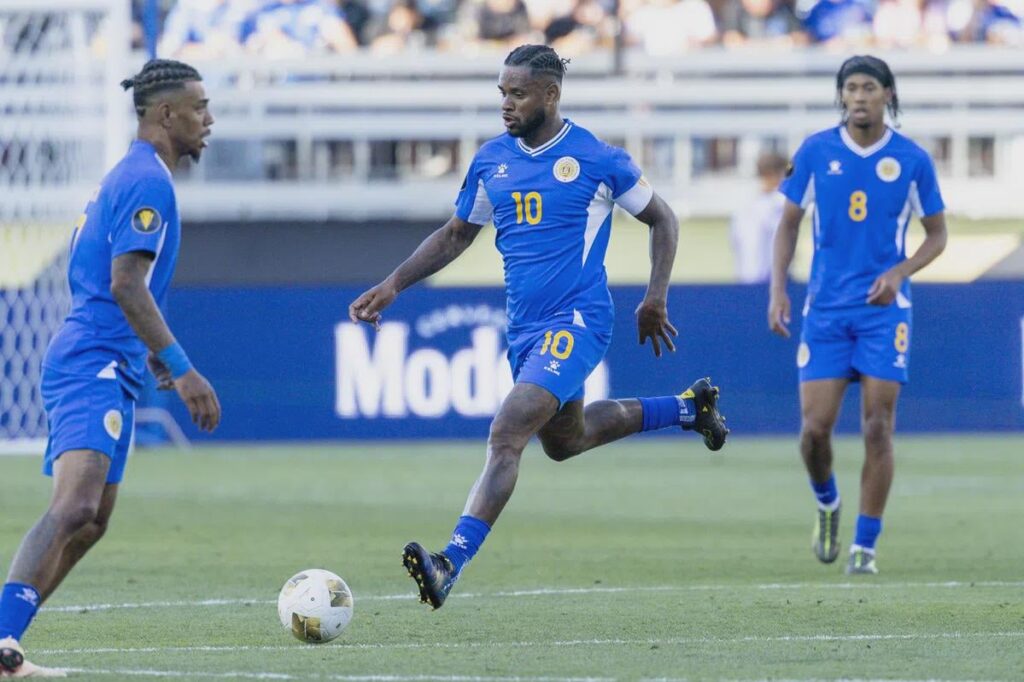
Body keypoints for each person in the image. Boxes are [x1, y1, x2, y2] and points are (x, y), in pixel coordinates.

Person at [349, 44, 729, 610]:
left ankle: (450, 560)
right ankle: (687, 409)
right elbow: (457, 234)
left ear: (550, 95)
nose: (506, 103)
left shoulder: (598, 159)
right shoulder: (491, 160)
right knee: (565, 442)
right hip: (524, 328)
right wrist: (394, 284)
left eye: (517, 93)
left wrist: (655, 296)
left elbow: (662, 218)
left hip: (577, 318)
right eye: (502, 92)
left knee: (507, 433)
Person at [0, 59, 221, 677]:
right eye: (200, 107)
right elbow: (126, 283)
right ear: (166, 113)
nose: (210, 120)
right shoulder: (146, 181)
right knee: (73, 508)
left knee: (93, 521)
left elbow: (106, 275)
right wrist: (181, 366)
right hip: (91, 359)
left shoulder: (133, 175)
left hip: (111, 359)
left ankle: (6, 644)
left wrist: (147, 352)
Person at [768, 55, 947, 575]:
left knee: (876, 427)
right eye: (852, 87)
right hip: (825, 310)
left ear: (888, 94)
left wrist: (899, 274)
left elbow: (938, 236)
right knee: (814, 431)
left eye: (870, 86)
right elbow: (788, 225)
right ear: (841, 96)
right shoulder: (816, 151)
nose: (860, 95)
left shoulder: (912, 160)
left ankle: (865, 547)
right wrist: (778, 290)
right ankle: (827, 502)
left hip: (884, 314)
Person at [729, 151, 788, 284]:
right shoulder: (778, 204)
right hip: (769, 282)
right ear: (776, 175)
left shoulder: (743, 205)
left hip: (744, 279)